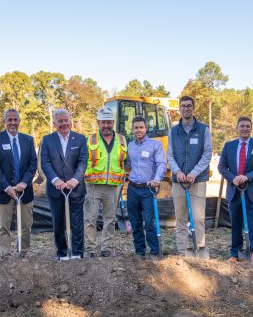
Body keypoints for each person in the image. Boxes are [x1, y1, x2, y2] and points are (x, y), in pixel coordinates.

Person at [0, 109, 38, 260]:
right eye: (10, 120)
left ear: (19, 121)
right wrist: (7, 187)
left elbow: (32, 164)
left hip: (24, 190)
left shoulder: (27, 140)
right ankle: (6, 255)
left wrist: (25, 182)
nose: (13, 123)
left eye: (16, 119)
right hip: (3, 191)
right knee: (3, 225)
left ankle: (24, 252)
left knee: (26, 225)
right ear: (4, 122)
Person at [218, 117, 253, 263]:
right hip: (234, 192)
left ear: (251, 128)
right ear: (237, 128)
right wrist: (232, 178)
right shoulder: (229, 146)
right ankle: (235, 253)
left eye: (248, 126)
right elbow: (222, 166)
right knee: (235, 224)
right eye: (242, 126)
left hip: (252, 191)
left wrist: (248, 177)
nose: (245, 129)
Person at [167, 95, 213, 258]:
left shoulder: (203, 129)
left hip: (198, 180)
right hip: (179, 181)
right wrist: (178, 172)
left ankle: (200, 248)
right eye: (183, 106)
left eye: (189, 106)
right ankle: (183, 251)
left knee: (198, 217)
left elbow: (207, 154)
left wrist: (194, 172)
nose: (186, 108)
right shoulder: (173, 131)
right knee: (180, 217)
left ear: (193, 108)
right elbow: (170, 155)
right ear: (179, 108)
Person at [40, 109, 88, 259]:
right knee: (58, 223)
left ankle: (77, 252)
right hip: (56, 190)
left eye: (66, 120)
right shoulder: (47, 140)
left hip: (76, 189)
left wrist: (74, 180)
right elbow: (45, 163)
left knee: (77, 223)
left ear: (70, 121)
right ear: (55, 124)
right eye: (60, 121)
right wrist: (56, 180)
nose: (64, 124)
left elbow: (82, 162)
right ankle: (62, 252)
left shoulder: (80, 139)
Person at [83, 107, 128, 258]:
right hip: (93, 186)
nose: (106, 125)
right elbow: (83, 162)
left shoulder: (122, 140)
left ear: (113, 122)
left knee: (110, 219)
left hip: (113, 187)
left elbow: (125, 162)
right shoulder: (90, 139)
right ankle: (90, 248)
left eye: (109, 122)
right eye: (103, 122)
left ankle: (106, 247)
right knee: (90, 218)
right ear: (98, 122)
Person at [126, 116, 166, 258]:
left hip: (148, 188)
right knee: (135, 222)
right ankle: (140, 251)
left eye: (141, 127)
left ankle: (155, 250)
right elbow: (127, 165)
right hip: (132, 188)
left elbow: (161, 164)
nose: (139, 130)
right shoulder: (130, 145)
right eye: (136, 128)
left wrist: (157, 179)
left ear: (146, 128)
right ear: (133, 129)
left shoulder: (155, 145)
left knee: (149, 221)